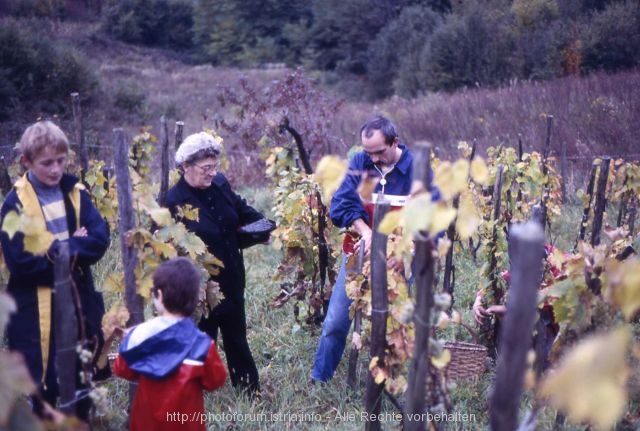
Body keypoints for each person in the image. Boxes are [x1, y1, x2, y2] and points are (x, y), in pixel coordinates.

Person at [0, 120, 110, 419]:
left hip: (78, 298)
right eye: (46, 163)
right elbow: (21, 263)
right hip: (34, 309)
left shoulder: (76, 192)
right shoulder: (14, 204)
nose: (55, 169)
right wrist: (70, 247)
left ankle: (82, 422)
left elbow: (99, 240)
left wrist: (50, 251)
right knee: (43, 382)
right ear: (26, 162)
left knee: (82, 371)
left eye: (61, 161)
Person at [165, 131, 270, 396]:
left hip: (232, 276)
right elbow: (164, 248)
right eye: (206, 167)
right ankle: (191, 395)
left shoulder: (220, 184)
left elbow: (241, 210)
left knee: (237, 337)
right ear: (186, 166)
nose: (212, 173)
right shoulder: (174, 202)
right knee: (202, 341)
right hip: (200, 287)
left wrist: (264, 227)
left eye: (215, 166)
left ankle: (249, 391)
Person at [311, 115, 415, 383]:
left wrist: (404, 253)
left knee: (396, 326)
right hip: (360, 252)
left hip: (399, 258)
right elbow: (341, 203)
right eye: (368, 152)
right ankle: (320, 379)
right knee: (335, 321)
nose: (373, 159)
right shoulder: (360, 162)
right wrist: (365, 231)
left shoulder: (415, 169)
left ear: (395, 142)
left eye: (379, 152)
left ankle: (390, 383)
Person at [113, 257, 227, 431]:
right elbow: (216, 381)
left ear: (158, 295)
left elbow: (122, 369)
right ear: (196, 299)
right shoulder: (202, 346)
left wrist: (128, 340)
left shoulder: (140, 336)